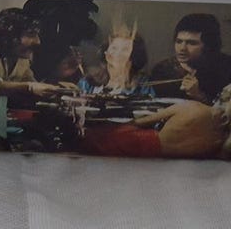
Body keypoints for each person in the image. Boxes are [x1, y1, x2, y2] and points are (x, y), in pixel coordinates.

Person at [80, 85, 231, 159]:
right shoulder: (219, 140)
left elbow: (141, 122)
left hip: (145, 142)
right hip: (163, 156)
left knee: (87, 139)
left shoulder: (193, 108)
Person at [150, 14, 231, 103]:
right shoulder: (162, 70)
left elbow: (224, 109)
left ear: (208, 45)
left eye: (191, 43)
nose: (182, 48)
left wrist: (198, 94)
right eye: (179, 41)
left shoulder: (226, 67)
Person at [78, 33, 154, 97]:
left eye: (125, 49)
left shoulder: (142, 85)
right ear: (106, 53)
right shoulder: (88, 83)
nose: (118, 53)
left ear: (133, 57)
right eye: (114, 48)